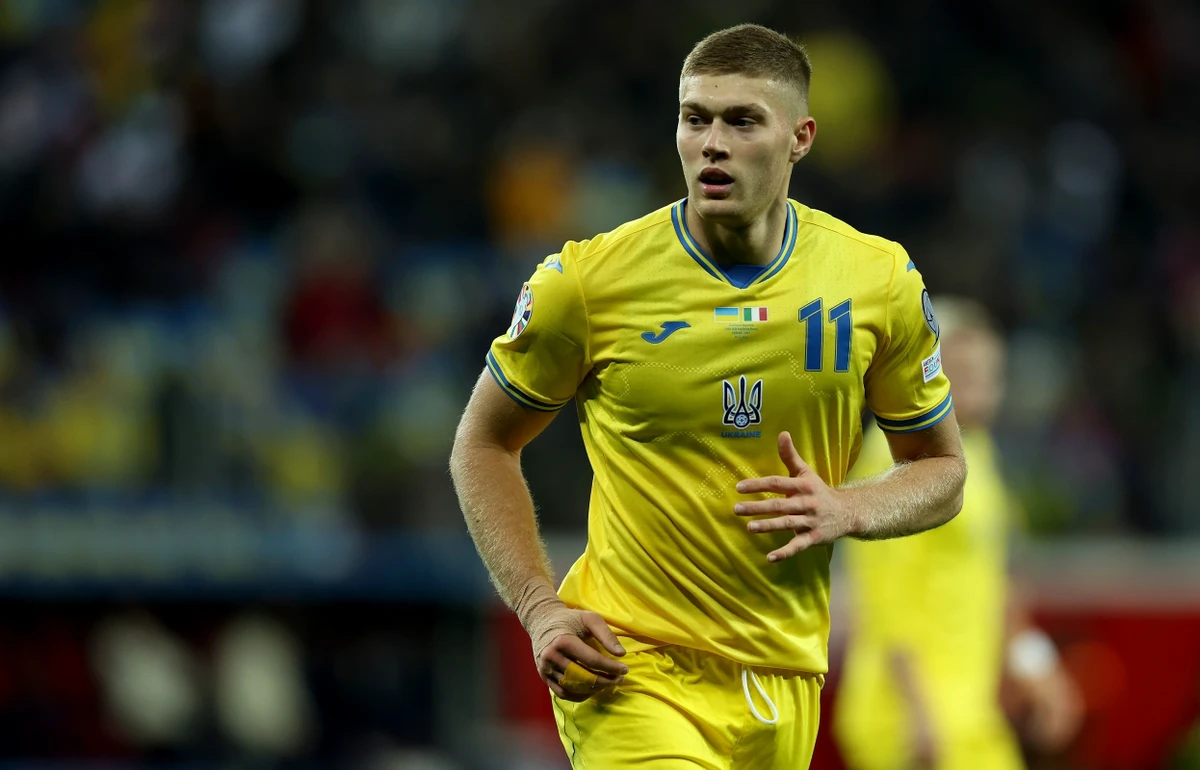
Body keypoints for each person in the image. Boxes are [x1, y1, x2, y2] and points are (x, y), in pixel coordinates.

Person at [450, 23, 967, 768]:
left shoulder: (876, 282)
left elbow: (942, 469)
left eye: (742, 121)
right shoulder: (587, 282)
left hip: (783, 677)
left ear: (800, 138)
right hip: (629, 666)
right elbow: (484, 441)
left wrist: (849, 507)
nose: (712, 144)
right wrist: (539, 607)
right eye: (696, 119)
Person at [834, 297, 1084, 770]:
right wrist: (916, 710)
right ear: (928, 371)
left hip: (970, 714)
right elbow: (886, 593)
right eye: (966, 373)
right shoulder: (897, 455)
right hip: (909, 716)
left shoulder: (978, 451)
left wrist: (1037, 667)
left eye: (991, 375)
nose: (984, 390)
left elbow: (995, 578)